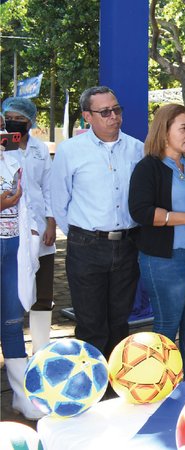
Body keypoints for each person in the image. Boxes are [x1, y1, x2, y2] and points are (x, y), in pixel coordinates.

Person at [128, 104, 185, 380]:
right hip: (165, 259)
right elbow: (141, 212)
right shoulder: (149, 168)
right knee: (168, 325)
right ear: (164, 130)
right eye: (183, 128)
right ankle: (158, 385)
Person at [50, 86, 144, 357]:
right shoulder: (70, 151)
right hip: (86, 246)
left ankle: (116, 390)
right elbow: (59, 200)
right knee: (91, 325)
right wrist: (81, 235)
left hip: (127, 246)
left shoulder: (137, 149)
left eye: (116, 109)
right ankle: (91, 389)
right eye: (105, 112)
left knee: (119, 324)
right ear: (87, 117)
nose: (113, 116)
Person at [1, 105, 46, 419]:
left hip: (13, 247)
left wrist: (31, 231)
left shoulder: (12, 159)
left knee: (13, 321)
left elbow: (25, 200)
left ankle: (22, 396)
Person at [3, 98, 55, 354]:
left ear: (30, 122)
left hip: (41, 227)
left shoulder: (39, 149)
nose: (14, 122)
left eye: (20, 119)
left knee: (43, 294)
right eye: (9, 116)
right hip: (11, 229)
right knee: (12, 293)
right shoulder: (3, 146)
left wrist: (51, 221)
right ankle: (13, 348)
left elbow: (48, 187)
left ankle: (41, 351)